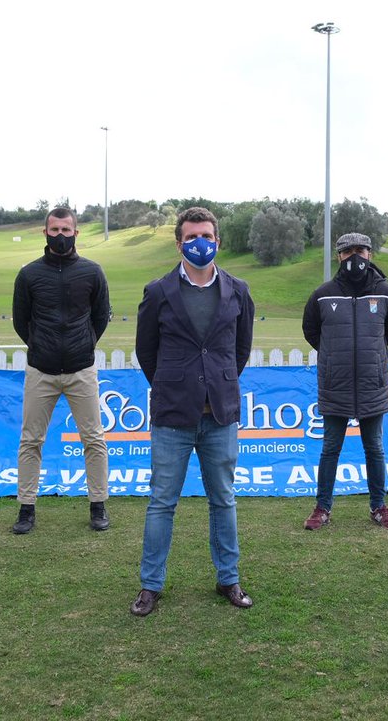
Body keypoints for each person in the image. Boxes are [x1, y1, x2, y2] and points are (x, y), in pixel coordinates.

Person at [130, 207, 255, 616]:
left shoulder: (239, 291)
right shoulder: (157, 292)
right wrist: (174, 385)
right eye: (191, 237)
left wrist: (216, 381)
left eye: (206, 236)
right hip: (172, 416)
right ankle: (150, 585)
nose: (199, 243)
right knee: (161, 502)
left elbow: (239, 350)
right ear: (179, 243)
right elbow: (146, 351)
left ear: (218, 241)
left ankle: (228, 579)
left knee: (224, 500)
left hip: (220, 415)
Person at [11, 207, 112, 534]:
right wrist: (41, 346)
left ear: (76, 233)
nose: (60, 236)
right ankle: (26, 508)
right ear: (45, 233)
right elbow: (20, 320)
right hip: (41, 370)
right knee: (31, 440)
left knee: (94, 439)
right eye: (54, 230)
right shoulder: (29, 275)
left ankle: (98, 505)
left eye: (66, 230)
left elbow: (101, 316)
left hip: (82, 370)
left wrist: (84, 344)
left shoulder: (92, 272)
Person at [301, 232, 388, 531]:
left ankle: (379, 506)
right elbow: (311, 332)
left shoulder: (386, 292)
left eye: (360, 250)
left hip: (373, 385)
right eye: (348, 251)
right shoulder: (322, 294)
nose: (354, 257)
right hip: (336, 385)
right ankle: (322, 508)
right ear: (339, 256)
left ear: (370, 254)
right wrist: (335, 357)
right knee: (330, 448)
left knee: (375, 448)